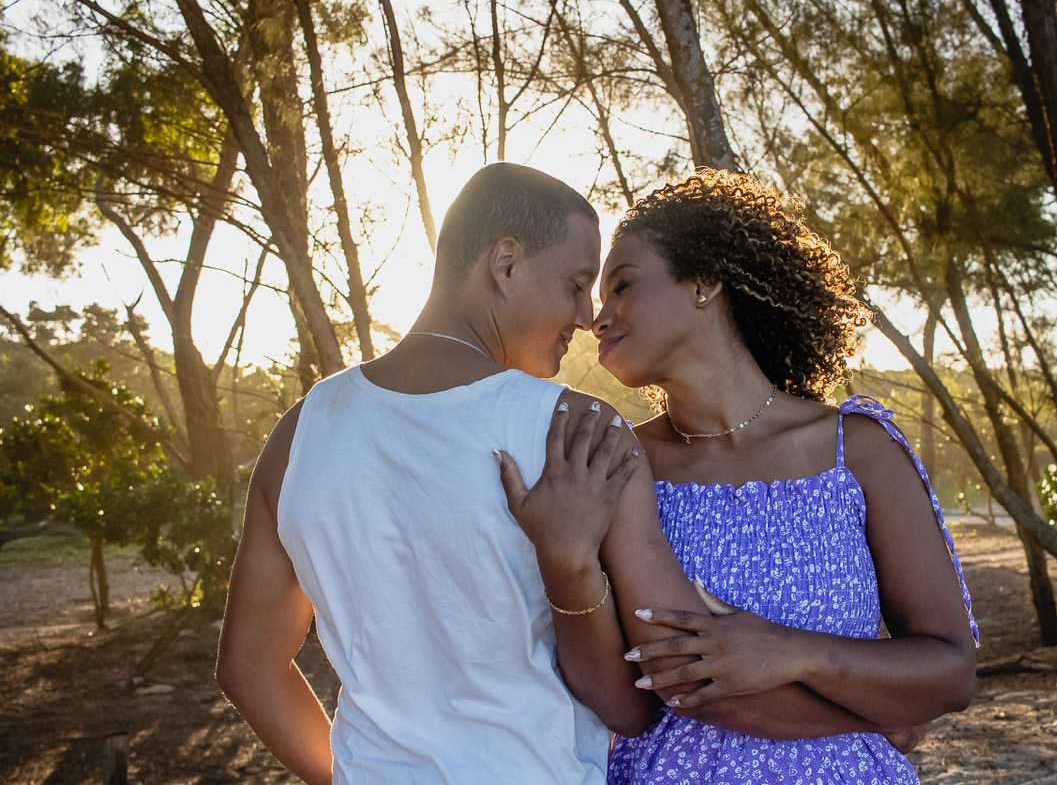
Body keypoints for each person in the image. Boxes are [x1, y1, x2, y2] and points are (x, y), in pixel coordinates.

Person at [215, 162, 706, 784]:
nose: (587, 315)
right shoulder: (578, 435)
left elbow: (249, 669)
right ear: (506, 263)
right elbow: (634, 708)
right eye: (577, 283)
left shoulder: (299, 434)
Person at [584, 169, 980, 783]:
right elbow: (677, 685)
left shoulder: (858, 451)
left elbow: (951, 672)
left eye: (622, 286)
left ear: (705, 281)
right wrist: (874, 715)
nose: (598, 319)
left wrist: (794, 652)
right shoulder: (617, 463)